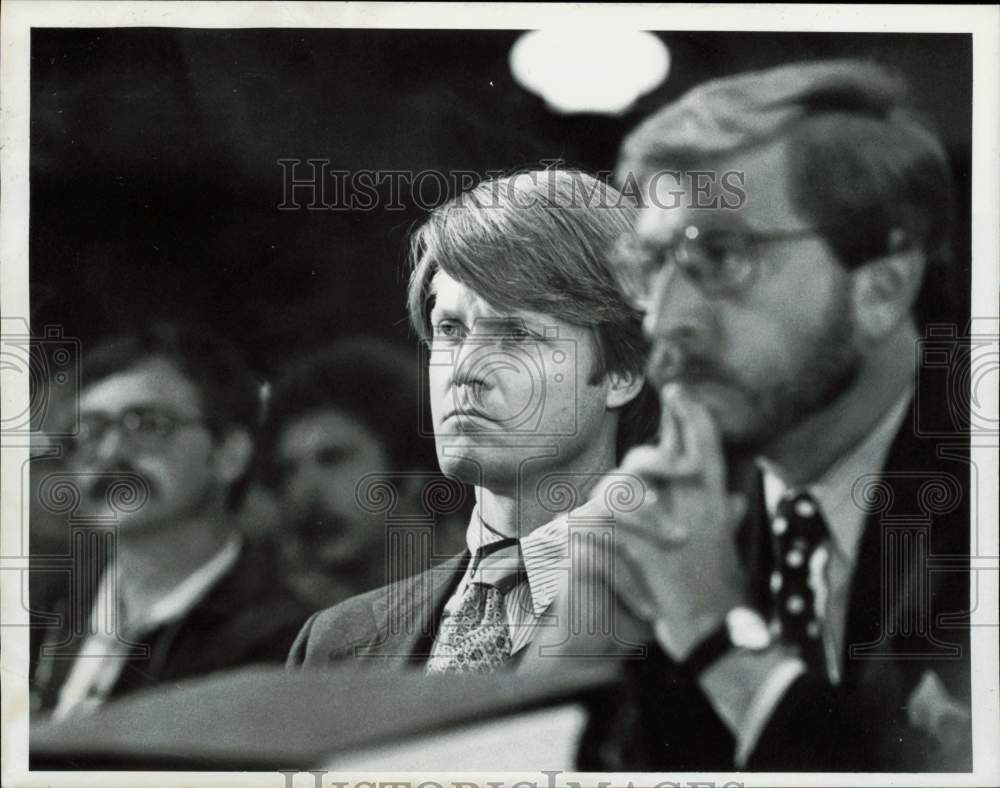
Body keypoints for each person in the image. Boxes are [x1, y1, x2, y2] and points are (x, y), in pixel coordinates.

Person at [540, 59, 972, 771]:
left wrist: (717, 638)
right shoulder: (683, 514)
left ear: (883, 289)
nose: (666, 321)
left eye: (721, 256)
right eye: (653, 267)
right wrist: (570, 654)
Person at [287, 169, 660, 672]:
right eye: (450, 330)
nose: (465, 370)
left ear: (622, 370)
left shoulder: (683, 619)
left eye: (516, 335)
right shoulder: (332, 643)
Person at [29, 322, 311, 718]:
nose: (110, 454)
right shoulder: (40, 611)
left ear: (229, 454)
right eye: (89, 432)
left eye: (146, 425)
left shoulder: (282, 640)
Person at [256, 338, 467, 609]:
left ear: (411, 472)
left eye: (333, 459)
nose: (302, 491)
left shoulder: (496, 589)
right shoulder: (293, 625)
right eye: (288, 471)